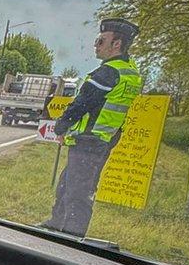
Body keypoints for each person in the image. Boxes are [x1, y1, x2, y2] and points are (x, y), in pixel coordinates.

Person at [41, 18, 143, 236]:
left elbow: (82, 103)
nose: (96, 45)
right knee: (67, 184)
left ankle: (71, 237)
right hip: (104, 139)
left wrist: (60, 126)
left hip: (89, 140)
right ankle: (54, 225)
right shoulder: (128, 71)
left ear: (117, 44)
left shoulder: (108, 73)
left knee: (78, 192)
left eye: (101, 40)